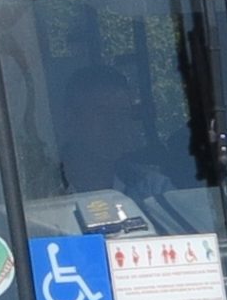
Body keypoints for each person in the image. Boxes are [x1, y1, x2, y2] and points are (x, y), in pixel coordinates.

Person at [54, 63, 187, 202]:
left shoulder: (153, 189)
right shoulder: (42, 190)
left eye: (123, 113)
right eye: (102, 113)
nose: (116, 124)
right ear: (71, 119)